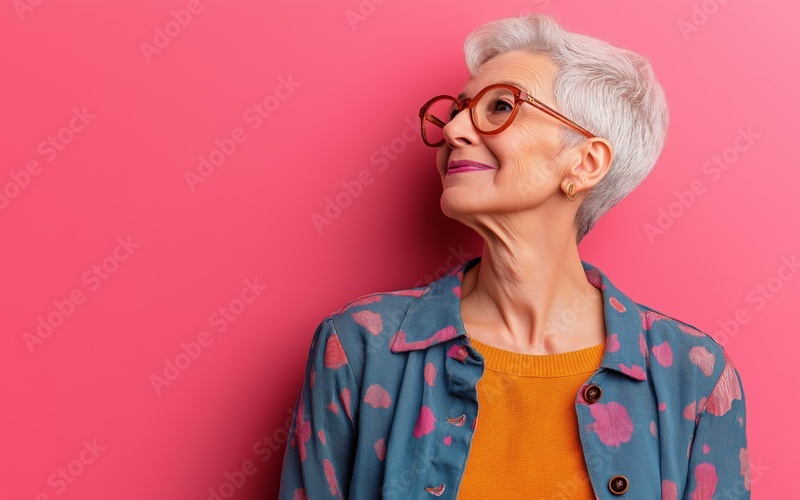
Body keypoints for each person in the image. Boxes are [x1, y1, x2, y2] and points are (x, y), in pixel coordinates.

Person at [278, 12, 750, 500]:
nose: (455, 129)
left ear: (585, 162)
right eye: (457, 110)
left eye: (500, 106)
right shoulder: (362, 347)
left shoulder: (693, 375)